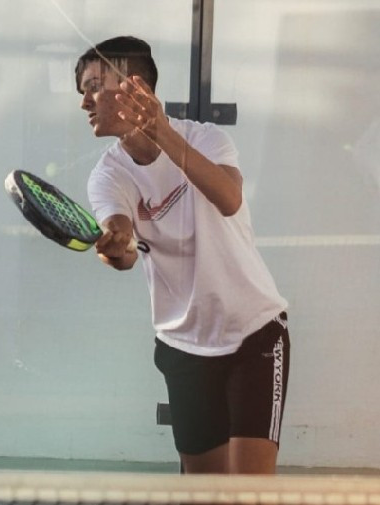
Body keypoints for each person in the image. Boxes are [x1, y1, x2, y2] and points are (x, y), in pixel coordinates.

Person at [74, 36, 290, 474]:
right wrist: (115, 247)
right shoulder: (107, 176)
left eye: (95, 86)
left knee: (250, 492)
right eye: (82, 91)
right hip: (183, 346)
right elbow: (122, 244)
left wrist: (162, 133)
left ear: (135, 88)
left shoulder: (208, 139)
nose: (84, 102)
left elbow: (229, 199)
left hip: (254, 334)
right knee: (204, 491)